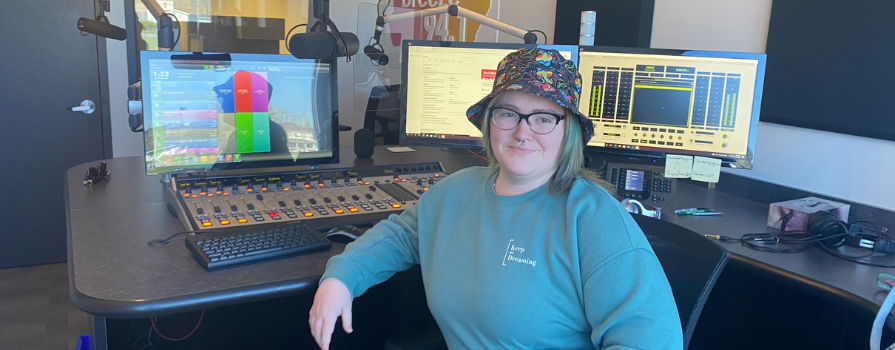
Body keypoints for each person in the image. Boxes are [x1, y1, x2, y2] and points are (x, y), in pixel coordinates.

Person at [309, 48, 683, 350]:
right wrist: (340, 278)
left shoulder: (593, 219)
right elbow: (399, 236)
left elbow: (651, 341)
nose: (522, 132)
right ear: (490, 122)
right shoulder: (455, 191)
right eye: (509, 113)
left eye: (543, 118)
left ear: (568, 130)